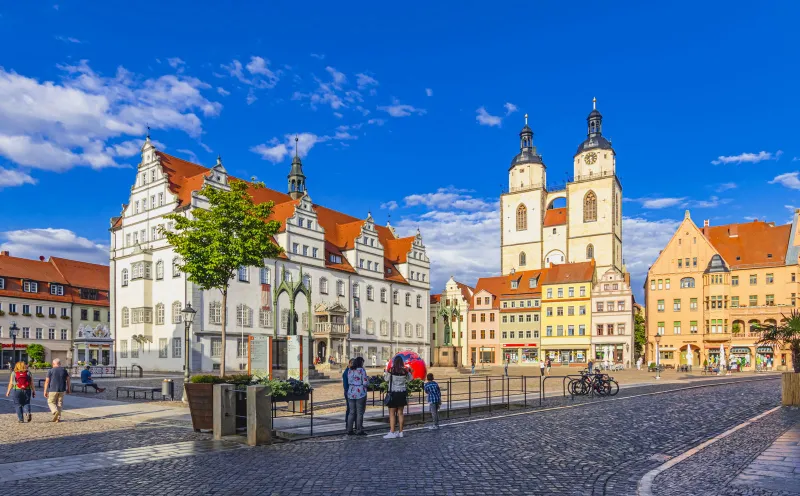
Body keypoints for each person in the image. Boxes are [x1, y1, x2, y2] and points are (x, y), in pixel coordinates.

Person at [383, 355, 412, 439]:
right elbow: (410, 379)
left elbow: (386, 379)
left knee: (392, 414)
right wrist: (409, 371)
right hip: (402, 393)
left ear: (394, 362)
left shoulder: (391, 370)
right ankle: (401, 432)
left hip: (393, 393)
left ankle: (392, 432)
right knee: (400, 413)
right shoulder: (404, 371)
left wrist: (385, 372)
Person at [346, 357, 368, 436]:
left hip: (351, 391)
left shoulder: (349, 371)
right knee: (359, 412)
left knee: (351, 412)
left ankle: (349, 430)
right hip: (360, 393)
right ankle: (359, 430)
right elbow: (365, 382)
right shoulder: (361, 370)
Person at [44, 358, 70, 422]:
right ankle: (58, 418)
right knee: (59, 403)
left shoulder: (51, 370)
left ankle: (55, 411)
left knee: (50, 402)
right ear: (60, 364)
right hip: (62, 389)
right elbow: (68, 380)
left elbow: (47, 381)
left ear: (53, 364)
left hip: (53, 389)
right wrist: (68, 388)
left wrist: (45, 391)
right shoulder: (64, 370)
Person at [342, 359, 353, 431]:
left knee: (352, 409)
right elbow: (345, 386)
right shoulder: (346, 372)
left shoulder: (353, 371)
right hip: (349, 393)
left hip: (352, 392)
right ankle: (348, 424)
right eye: (352, 363)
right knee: (349, 409)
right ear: (349, 363)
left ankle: (352, 424)